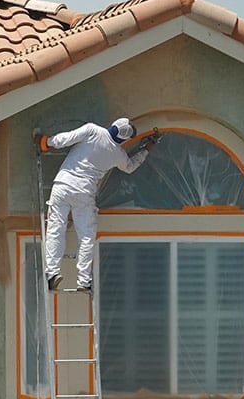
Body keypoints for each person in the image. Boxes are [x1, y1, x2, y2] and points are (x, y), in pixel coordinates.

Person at [35, 118, 156, 291]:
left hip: (63, 185)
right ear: (124, 140)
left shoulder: (92, 130)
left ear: (113, 125)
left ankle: (52, 273)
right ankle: (83, 281)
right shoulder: (118, 154)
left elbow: (64, 140)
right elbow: (129, 167)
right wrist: (145, 150)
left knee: (55, 229)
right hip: (85, 193)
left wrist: (44, 142)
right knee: (86, 237)